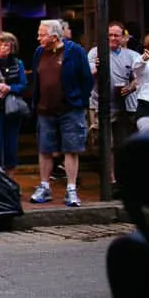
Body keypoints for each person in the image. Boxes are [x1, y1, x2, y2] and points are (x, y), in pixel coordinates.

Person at [30, 19, 93, 207]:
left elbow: (86, 79)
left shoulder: (75, 51)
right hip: (45, 109)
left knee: (71, 148)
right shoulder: (39, 52)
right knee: (45, 148)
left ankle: (71, 189)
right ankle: (44, 187)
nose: (38, 37)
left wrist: (79, 101)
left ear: (54, 37)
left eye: (42, 34)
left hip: (70, 109)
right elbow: (36, 77)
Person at [88, 21, 141, 187]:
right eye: (109, 35)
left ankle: (122, 177)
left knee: (122, 143)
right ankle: (110, 179)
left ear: (123, 37)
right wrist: (96, 67)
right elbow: (87, 73)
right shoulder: (95, 52)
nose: (112, 38)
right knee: (105, 144)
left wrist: (131, 86)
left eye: (116, 35)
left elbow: (142, 76)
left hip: (124, 106)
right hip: (100, 104)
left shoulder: (131, 55)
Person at [0, 32, 29, 177]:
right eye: (0, 45)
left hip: (12, 109)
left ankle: (10, 178)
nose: (3, 48)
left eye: (6, 45)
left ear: (12, 48)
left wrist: (10, 89)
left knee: (11, 143)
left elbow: (23, 85)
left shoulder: (18, 64)